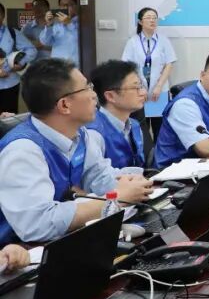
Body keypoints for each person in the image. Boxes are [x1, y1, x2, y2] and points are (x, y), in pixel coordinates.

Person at [0, 58, 152, 244]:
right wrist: (115, 199)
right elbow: (38, 225)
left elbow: (99, 177)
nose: (94, 95)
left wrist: (130, 183)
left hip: (65, 240)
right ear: (65, 105)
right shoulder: (23, 151)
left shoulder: (80, 134)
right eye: (87, 88)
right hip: (19, 252)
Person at [121, 7, 176, 130]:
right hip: (139, 92)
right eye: (148, 18)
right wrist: (140, 87)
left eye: (155, 18)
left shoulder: (163, 40)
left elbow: (169, 64)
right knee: (141, 128)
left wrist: (159, 86)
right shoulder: (133, 42)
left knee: (159, 127)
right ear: (140, 22)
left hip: (159, 91)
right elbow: (127, 67)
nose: (152, 20)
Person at [86, 60, 147, 169]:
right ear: (110, 96)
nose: (143, 93)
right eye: (136, 88)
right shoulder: (93, 133)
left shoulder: (134, 126)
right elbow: (95, 177)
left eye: (141, 86)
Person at [0, 2, 37, 114]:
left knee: (9, 118)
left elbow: (32, 50)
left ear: (3, 15)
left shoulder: (13, 33)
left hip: (9, 83)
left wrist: (19, 63)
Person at [40, 0, 80, 64]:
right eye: (62, 5)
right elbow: (45, 42)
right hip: (57, 66)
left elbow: (81, 41)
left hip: (75, 64)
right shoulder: (56, 25)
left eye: (69, 5)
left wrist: (69, 24)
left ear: (76, 6)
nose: (65, 8)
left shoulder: (84, 24)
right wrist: (49, 25)